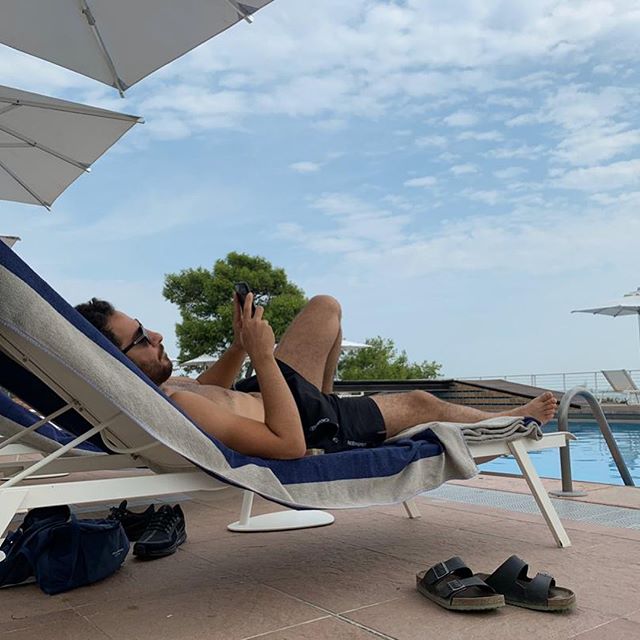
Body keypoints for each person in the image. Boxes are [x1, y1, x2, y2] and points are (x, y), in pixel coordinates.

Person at [75, 294, 557, 460]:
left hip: (274, 393)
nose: (157, 335)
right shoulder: (174, 407)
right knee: (420, 402)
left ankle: (331, 403)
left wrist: (242, 344)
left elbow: (212, 390)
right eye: (142, 338)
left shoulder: (165, 390)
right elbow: (288, 447)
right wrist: (263, 358)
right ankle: (510, 418)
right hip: (301, 423)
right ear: (117, 358)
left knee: (325, 308)